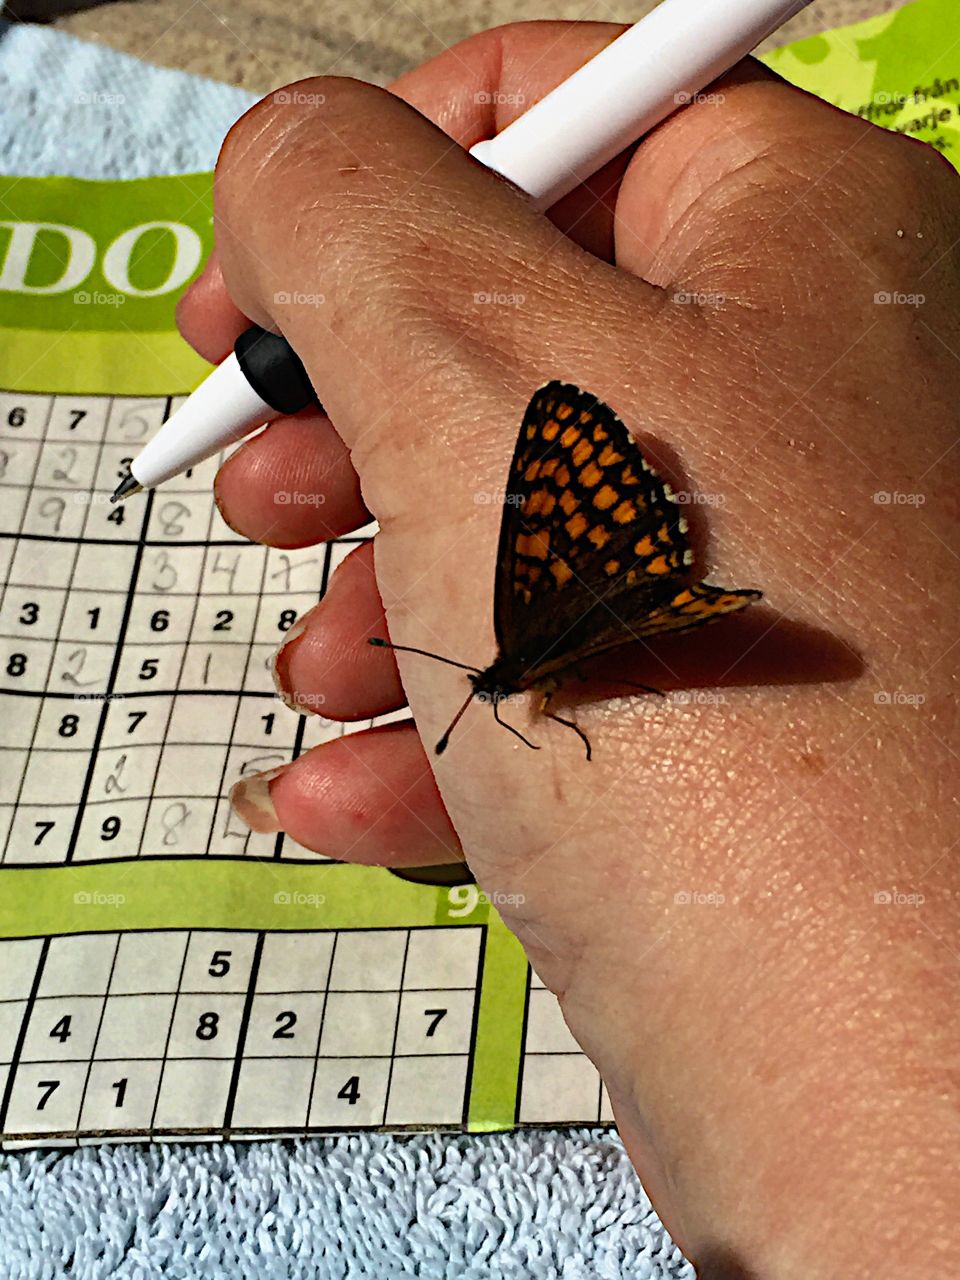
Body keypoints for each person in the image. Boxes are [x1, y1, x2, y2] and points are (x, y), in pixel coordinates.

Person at [176, 21, 958, 1277]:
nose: (480, 689)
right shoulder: (518, 635)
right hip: (639, 585)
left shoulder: (520, 651)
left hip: (646, 600)